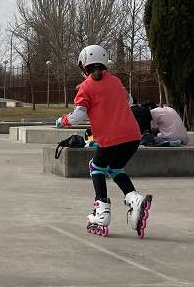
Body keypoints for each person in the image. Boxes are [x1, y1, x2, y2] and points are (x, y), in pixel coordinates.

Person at [56, 44, 153, 238]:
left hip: (111, 138)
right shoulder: (116, 81)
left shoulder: (86, 87)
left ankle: (102, 211)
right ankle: (134, 199)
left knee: (96, 167)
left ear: (84, 66)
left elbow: (77, 117)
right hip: (133, 137)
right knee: (115, 168)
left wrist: (62, 121)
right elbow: (130, 100)